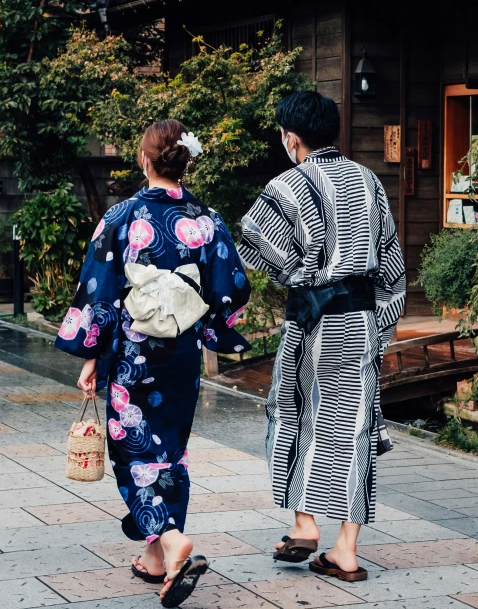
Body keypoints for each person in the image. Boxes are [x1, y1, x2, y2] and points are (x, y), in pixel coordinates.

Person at [56, 120, 251, 607]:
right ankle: (156, 561)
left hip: (133, 356)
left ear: (145, 161)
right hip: (181, 356)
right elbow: (232, 289)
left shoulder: (121, 216)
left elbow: (98, 290)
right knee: (171, 452)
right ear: (186, 162)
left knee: (136, 455)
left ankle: (170, 539)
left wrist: (91, 356)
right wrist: (208, 324)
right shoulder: (207, 220)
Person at [238, 91, 405, 583]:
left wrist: (299, 273)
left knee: (295, 413)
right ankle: (346, 551)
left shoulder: (287, 185)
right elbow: (392, 265)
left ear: (291, 138)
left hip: (312, 322)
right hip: (359, 323)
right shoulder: (369, 181)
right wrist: (380, 328)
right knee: (354, 429)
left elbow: (252, 244)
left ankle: (304, 523)